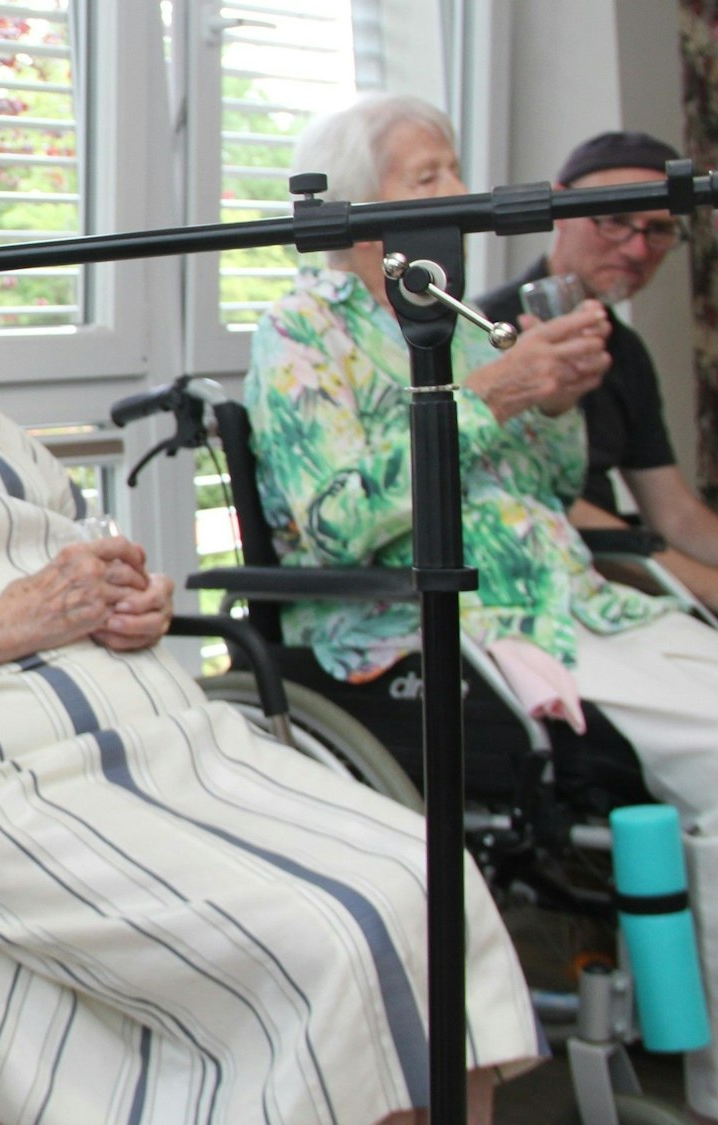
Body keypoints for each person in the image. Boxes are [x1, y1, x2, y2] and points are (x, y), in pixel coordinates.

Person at [0, 165, 541, 1125]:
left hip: (164, 750)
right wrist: (23, 618)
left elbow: (82, 559)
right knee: (325, 934)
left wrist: (135, 597)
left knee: (430, 875)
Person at [246, 93, 718, 1123]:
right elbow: (333, 519)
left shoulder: (451, 316)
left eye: (453, 167)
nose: (457, 192)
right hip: (459, 627)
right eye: (428, 175)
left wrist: (548, 406)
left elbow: (541, 486)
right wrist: (493, 394)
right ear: (357, 207)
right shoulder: (300, 330)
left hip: (571, 605)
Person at [474, 130, 718, 614]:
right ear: (560, 210)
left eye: (659, 229)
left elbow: (673, 511)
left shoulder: (624, 350)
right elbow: (544, 500)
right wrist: (707, 587)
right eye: (615, 220)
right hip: (535, 595)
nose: (636, 248)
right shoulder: (485, 331)